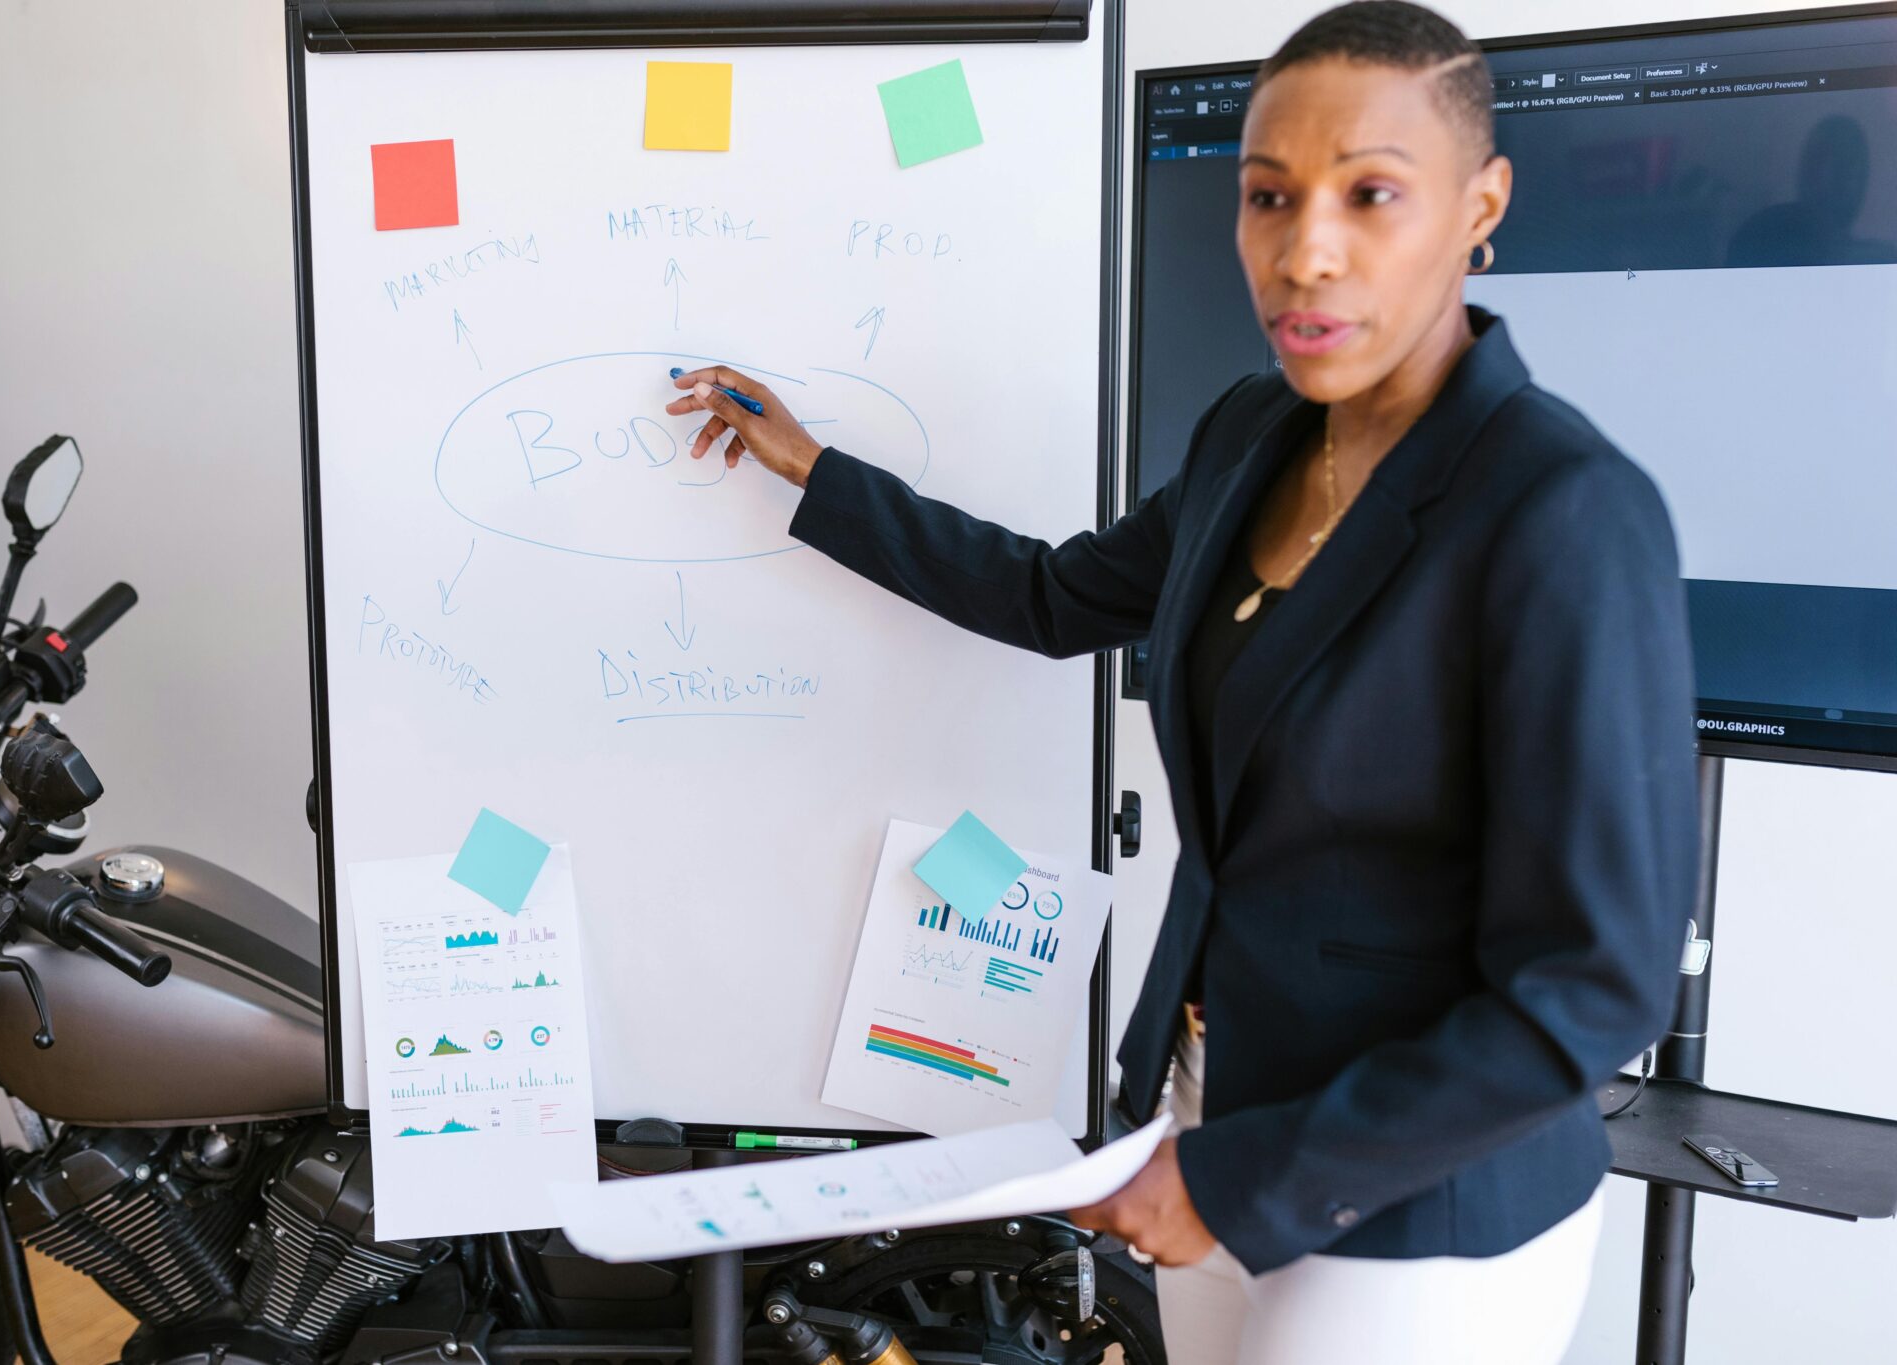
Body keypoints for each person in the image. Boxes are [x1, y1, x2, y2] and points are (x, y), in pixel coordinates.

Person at [665, 3, 1697, 1360]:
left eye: (1370, 194)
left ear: (1479, 204)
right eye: (1269, 197)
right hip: (1211, 1120)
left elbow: (1592, 985)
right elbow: (1051, 595)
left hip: (1422, 1211)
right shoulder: (1254, 432)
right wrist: (820, 475)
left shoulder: (1563, 512)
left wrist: (1238, 1176)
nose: (1305, 250)